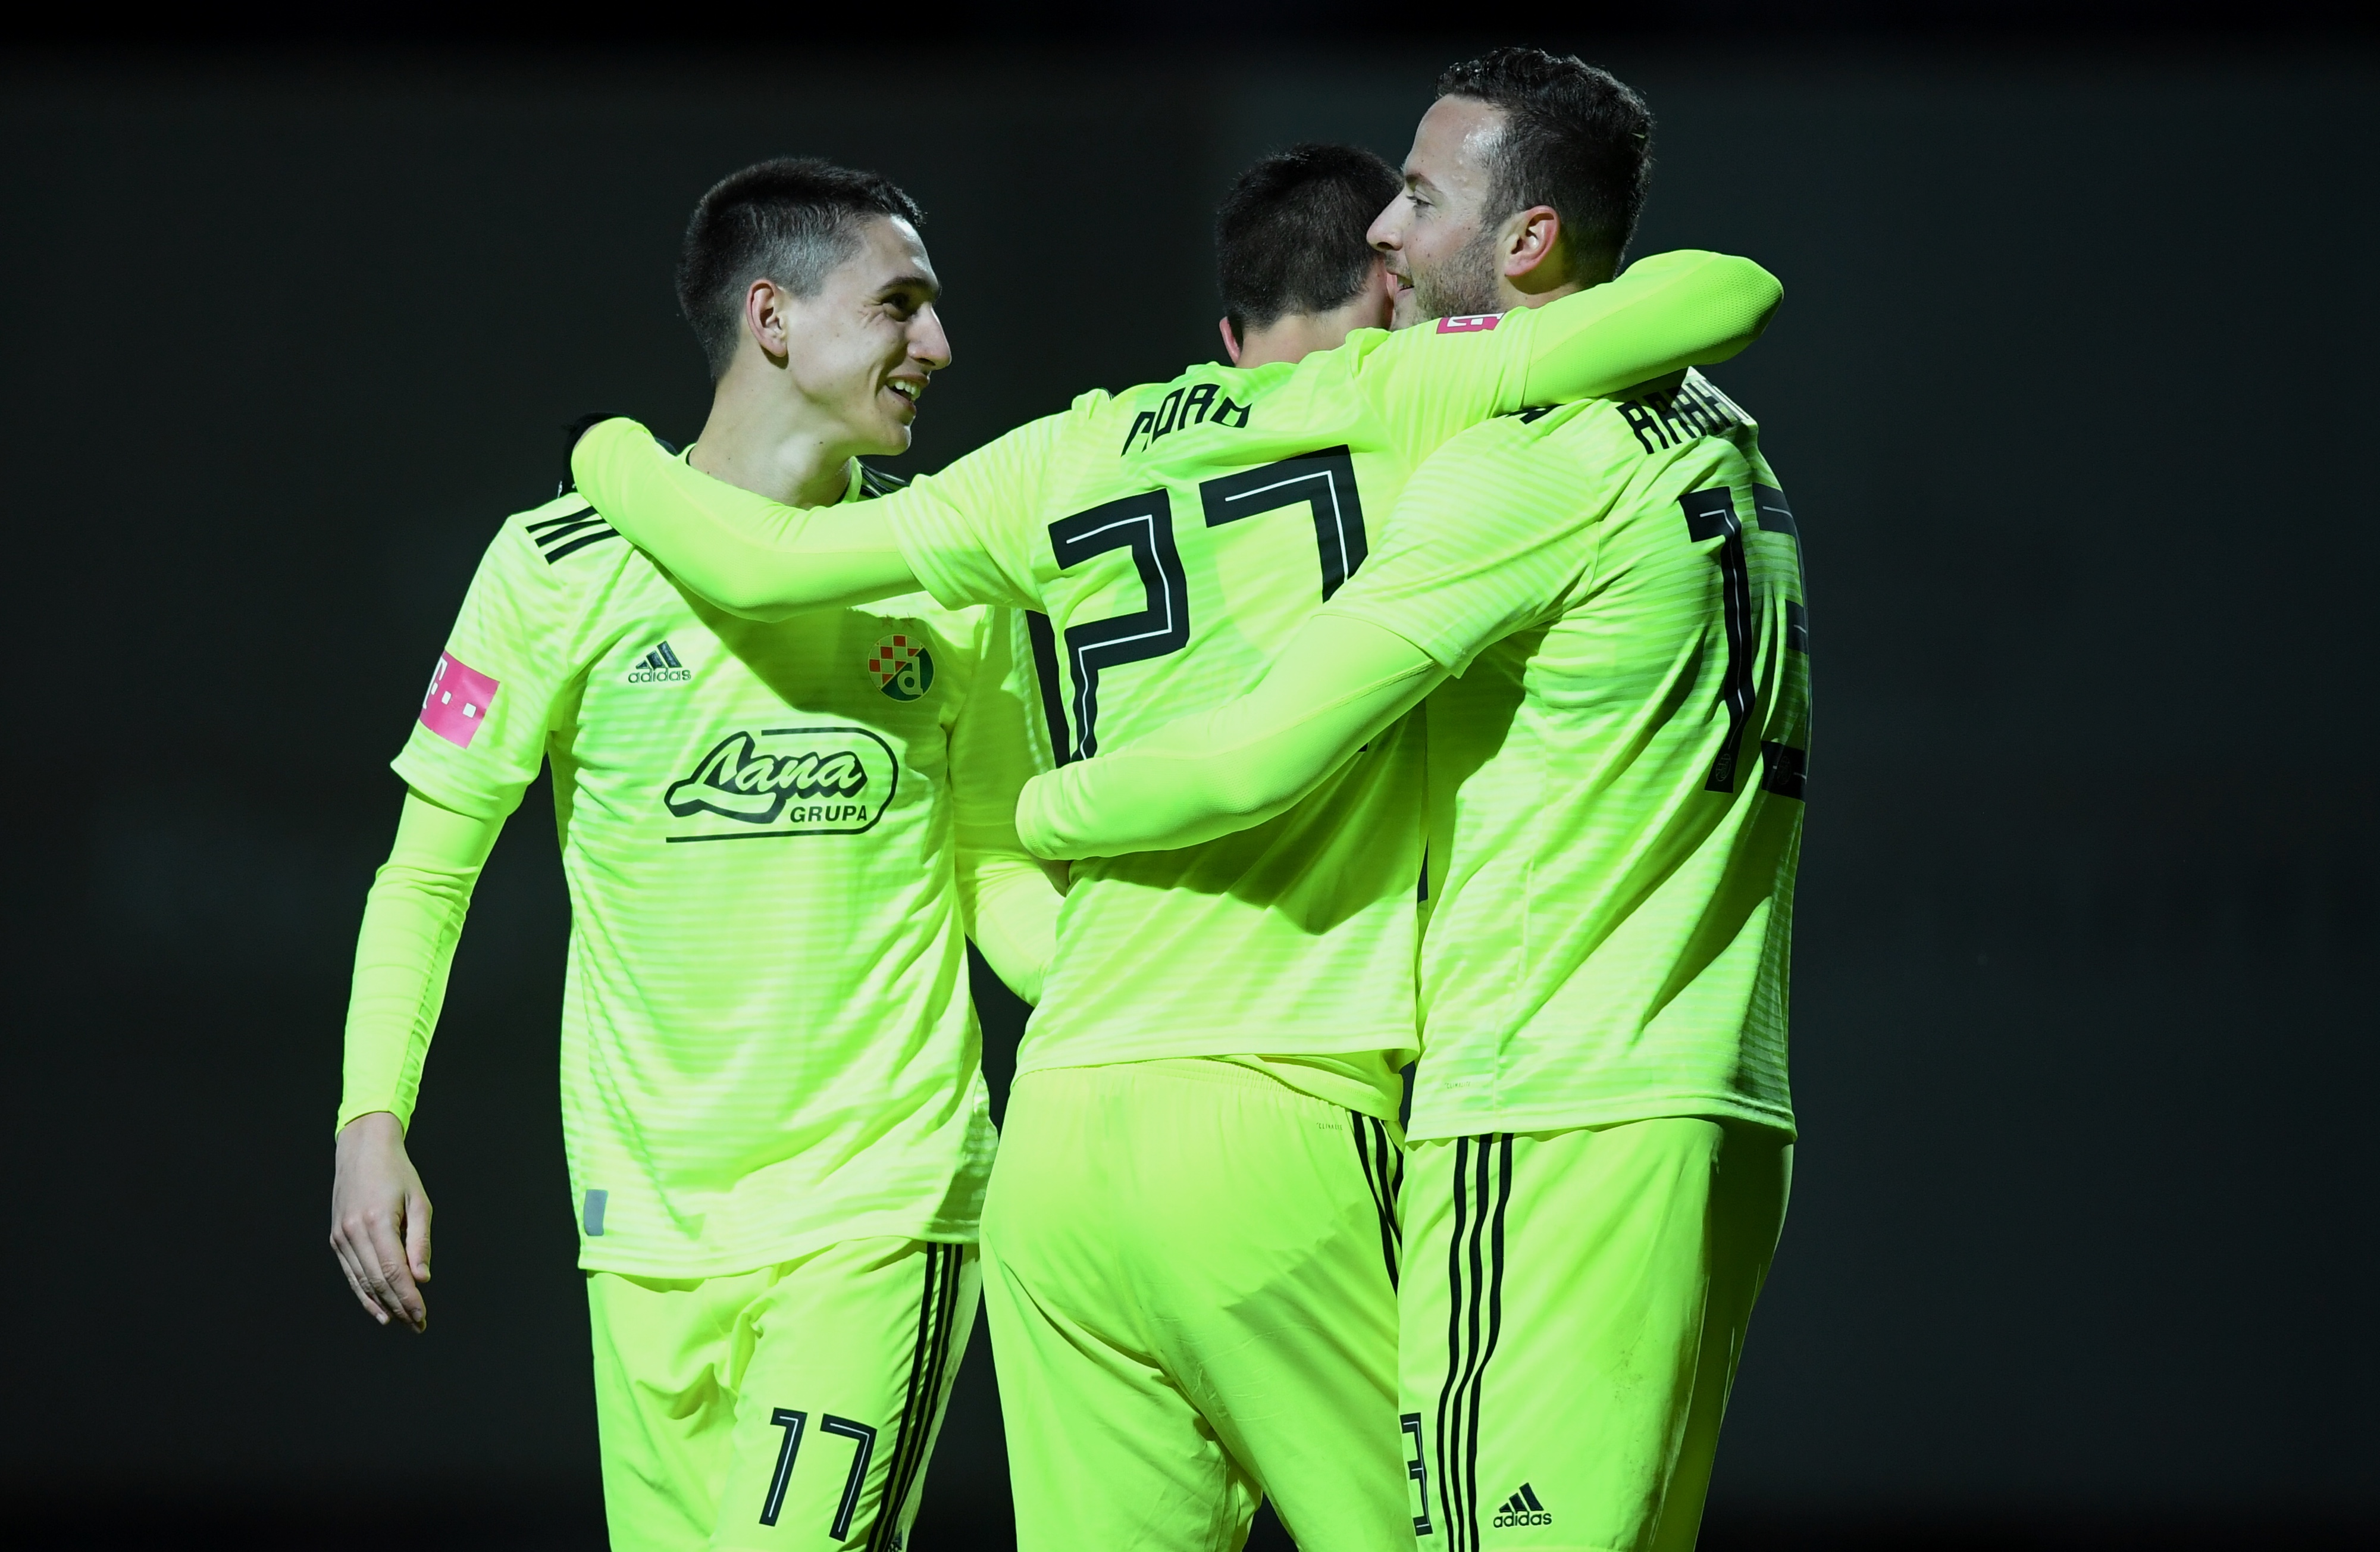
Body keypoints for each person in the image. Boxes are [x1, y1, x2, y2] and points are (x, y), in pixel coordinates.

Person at [565, 134, 1778, 1550]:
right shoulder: (1407, 398)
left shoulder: (1065, 450)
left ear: (1228, 326)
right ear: (1386, 296)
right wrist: (1051, 810)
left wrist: (604, 450)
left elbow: (752, 562)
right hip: (1283, 1098)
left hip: (1062, 1133)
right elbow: (1720, 296)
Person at [1017, 49, 1805, 1552]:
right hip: (1716, 1098)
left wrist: (1041, 813)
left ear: (1527, 240)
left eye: (1423, 200)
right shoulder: (1714, 426)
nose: (1381, 230)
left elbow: (1255, 755)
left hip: (1544, 1098)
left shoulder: (1522, 465)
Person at [327, 158, 1061, 1552]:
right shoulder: (553, 565)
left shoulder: (945, 567)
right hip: (645, 1226)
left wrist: (1129, 990)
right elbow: (426, 873)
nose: (938, 344)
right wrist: (371, 1120)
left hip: (881, 1202)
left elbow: (993, 864)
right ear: (772, 318)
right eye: (899, 304)